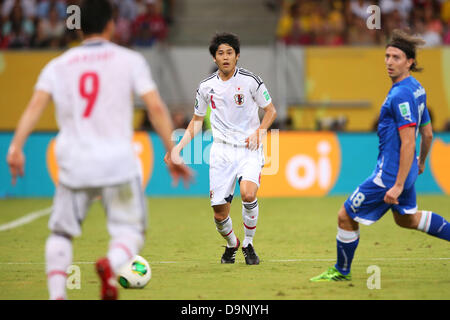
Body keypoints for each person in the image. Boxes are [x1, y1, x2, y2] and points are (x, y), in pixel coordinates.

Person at [6, 0, 192, 299]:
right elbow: (155, 107)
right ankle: (112, 262)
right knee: (130, 231)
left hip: (73, 162)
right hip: (118, 163)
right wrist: (172, 152)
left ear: (78, 28)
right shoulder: (129, 60)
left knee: (61, 233)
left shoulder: (58, 64)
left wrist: (16, 147)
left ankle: (57, 296)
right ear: (111, 25)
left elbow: (34, 107)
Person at [310, 29, 450, 282]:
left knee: (345, 215)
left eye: (396, 57)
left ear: (410, 62)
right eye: (387, 56)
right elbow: (427, 134)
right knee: (407, 220)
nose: (389, 62)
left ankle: (341, 271)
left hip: (390, 175)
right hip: (404, 172)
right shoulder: (417, 88)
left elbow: (409, 141)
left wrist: (396, 184)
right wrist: (421, 161)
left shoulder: (401, 94)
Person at [167, 32, 277, 265]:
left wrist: (260, 131)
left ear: (237, 56)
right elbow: (197, 121)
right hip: (221, 152)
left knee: (248, 194)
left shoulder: (251, 81)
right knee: (219, 213)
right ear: (214, 58)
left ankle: (248, 243)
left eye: (229, 53)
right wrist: (178, 148)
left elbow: (271, 112)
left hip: (249, 148)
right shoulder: (206, 87)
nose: (225, 57)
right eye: (220, 53)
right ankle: (232, 244)